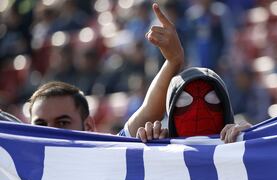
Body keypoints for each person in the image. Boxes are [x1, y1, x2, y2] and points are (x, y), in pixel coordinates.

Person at [29, 3, 184, 136]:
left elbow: (149, 113)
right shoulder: (10, 166)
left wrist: (173, 62)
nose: (50, 132)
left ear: (88, 126)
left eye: (62, 123)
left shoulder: (106, 156)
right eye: (40, 124)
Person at [135, 67, 252, 143]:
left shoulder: (240, 145)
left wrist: (252, 138)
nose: (198, 110)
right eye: (184, 101)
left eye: (212, 99)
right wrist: (146, 144)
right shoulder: (158, 150)